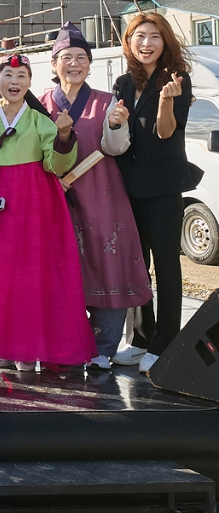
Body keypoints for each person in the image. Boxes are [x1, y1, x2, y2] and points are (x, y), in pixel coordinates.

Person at [0, 53, 95, 371]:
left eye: (21, 76)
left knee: (37, 276)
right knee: (2, 278)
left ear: (30, 83)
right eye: (8, 75)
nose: (14, 82)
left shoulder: (40, 121)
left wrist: (64, 136)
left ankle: (35, 347)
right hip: (0, 210)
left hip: (38, 207)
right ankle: (5, 346)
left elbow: (57, 164)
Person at [39, 22, 151, 369]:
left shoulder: (106, 101)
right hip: (55, 199)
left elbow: (115, 149)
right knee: (60, 270)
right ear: (54, 64)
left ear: (90, 64)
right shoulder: (40, 103)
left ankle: (102, 347)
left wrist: (117, 124)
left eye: (81, 57)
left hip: (103, 196)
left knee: (108, 264)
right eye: (67, 57)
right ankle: (66, 343)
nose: (74, 63)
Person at [112, 12, 195, 374]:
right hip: (127, 184)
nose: (146, 43)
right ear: (129, 42)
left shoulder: (177, 79)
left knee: (165, 263)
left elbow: (165, 133)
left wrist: (165, 102)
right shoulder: (122, 83)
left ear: (165, 41)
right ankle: (142, 337)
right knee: (135, 263)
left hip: (162, 187)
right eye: (139, 36)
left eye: (154, 36)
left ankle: (165, 341)